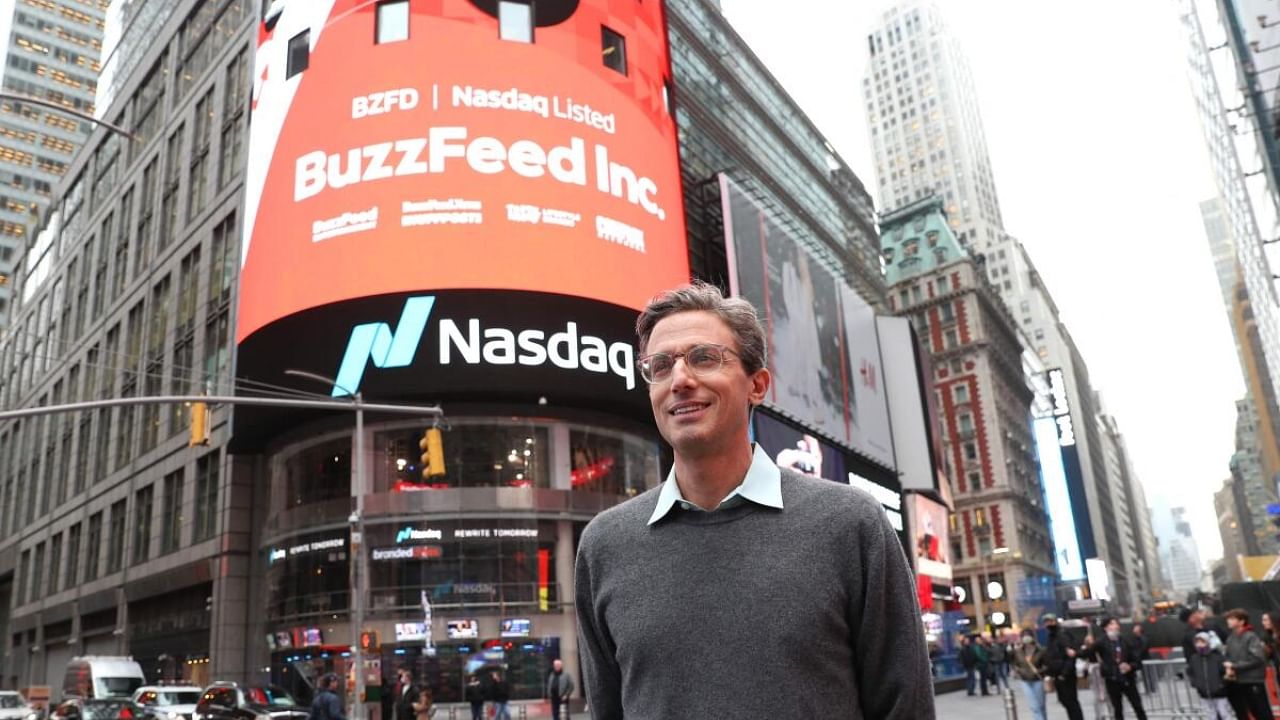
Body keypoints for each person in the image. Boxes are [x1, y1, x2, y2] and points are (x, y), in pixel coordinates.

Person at [573, 282, 935, 719]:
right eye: (661, 366)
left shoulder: (851, 523)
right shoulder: (604, 545)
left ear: (757, 385)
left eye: (704, 358)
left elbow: (905, 706)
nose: (681, 380)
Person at [1083, 617, 1147, 720]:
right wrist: (1087, 645)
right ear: (1105, 628)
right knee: (1117, 708)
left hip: (1128, 679)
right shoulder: (1101, 642)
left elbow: (1137, 659)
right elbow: (1088, 654)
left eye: (1116, 624)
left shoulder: (1125, 640)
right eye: (1112, 624)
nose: (1115, 627)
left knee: (1137, 706)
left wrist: (1130, 666)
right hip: (1112, 678)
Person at [1222, 608, 1275, 719]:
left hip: (1253, 680)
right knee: (1247, 711)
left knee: (1261, 712)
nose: (1228, 621)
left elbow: (1257, 658)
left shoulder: (1251, 636)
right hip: (1238, 680)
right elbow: (1227, 656)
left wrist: (1234, 666)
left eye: (1232, 619)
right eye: (1228, 619)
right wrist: (1228, 667)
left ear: (1241, 621)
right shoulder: (1230, 638)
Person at [1044, 615, 1085, 720]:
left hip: (1066, 674)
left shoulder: (1062, 635)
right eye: (1047, 622)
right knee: (1065, 700)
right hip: (1057, 673)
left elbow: (1070, 655)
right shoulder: (1051, 636)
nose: (1048, 624)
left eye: (1051, 621)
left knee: (1071, 701)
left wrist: (1064, 673)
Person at [1187, 631, 1233, 720]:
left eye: (1202, 642)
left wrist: (1222, 684)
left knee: (1224, 713)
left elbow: (1226, 672)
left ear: (1208, 642)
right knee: (1210, 715)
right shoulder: (1194, 658)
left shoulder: (1217, 658)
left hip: (1219, 692)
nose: (1199, 645)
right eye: (1197, 642)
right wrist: (1196, 684)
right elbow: (1190, 672)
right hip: (1204, 693)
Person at [1011, 630, 1049, 720]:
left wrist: (1039, 671)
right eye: (1024, 636)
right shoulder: (1018, 651)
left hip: (1038, 680)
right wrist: (1018, 671)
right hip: (1025, 681)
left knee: (1041, 706)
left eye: (1028, 635)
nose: (1026, 638)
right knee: (1034, 707)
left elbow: (1047, 665)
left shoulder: (1041, 650)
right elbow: (1015, 663)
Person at [1131, 624, 1156, 694]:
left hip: (1145, 659)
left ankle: (1151, 689)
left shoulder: (1143, 638)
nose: (1133, 629)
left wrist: (1137, 655)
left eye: (1135, 628)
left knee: (1148, 674)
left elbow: (1143, 648)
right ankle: (1149, 689)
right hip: (1141, 659)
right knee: (1145, 675)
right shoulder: (1136, 638)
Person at [1261, 612, 1280, 678]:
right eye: (1263, 620)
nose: (1263, 623)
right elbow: (1269, 657)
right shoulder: (1267, 636)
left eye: (1266, 620)